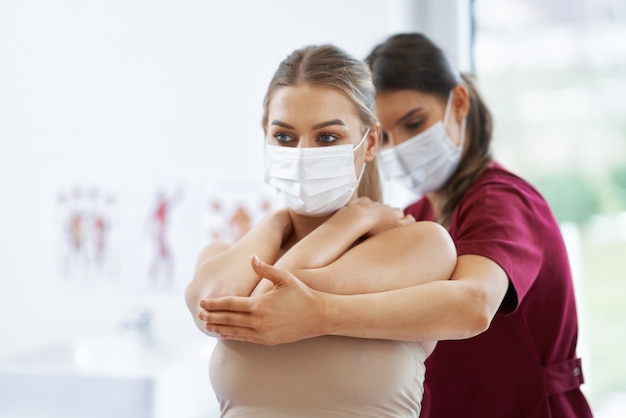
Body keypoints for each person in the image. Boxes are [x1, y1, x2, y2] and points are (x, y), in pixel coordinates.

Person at [197, 33, 594, 417]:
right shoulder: (411, 214)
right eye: (284, 135)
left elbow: (473, 304)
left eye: (414, 124)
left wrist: (321, 311)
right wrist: (282, 221)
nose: (399, 147)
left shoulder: (492, 205)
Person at [185, 44, 457, 417]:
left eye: (327, 138)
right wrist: (284, 222)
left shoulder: (420, 245)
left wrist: (350, 223)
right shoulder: (220, 255)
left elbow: (267, 302)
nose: (302, 153)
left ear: (370, 142)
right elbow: (213, 306)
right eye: (284, 137)